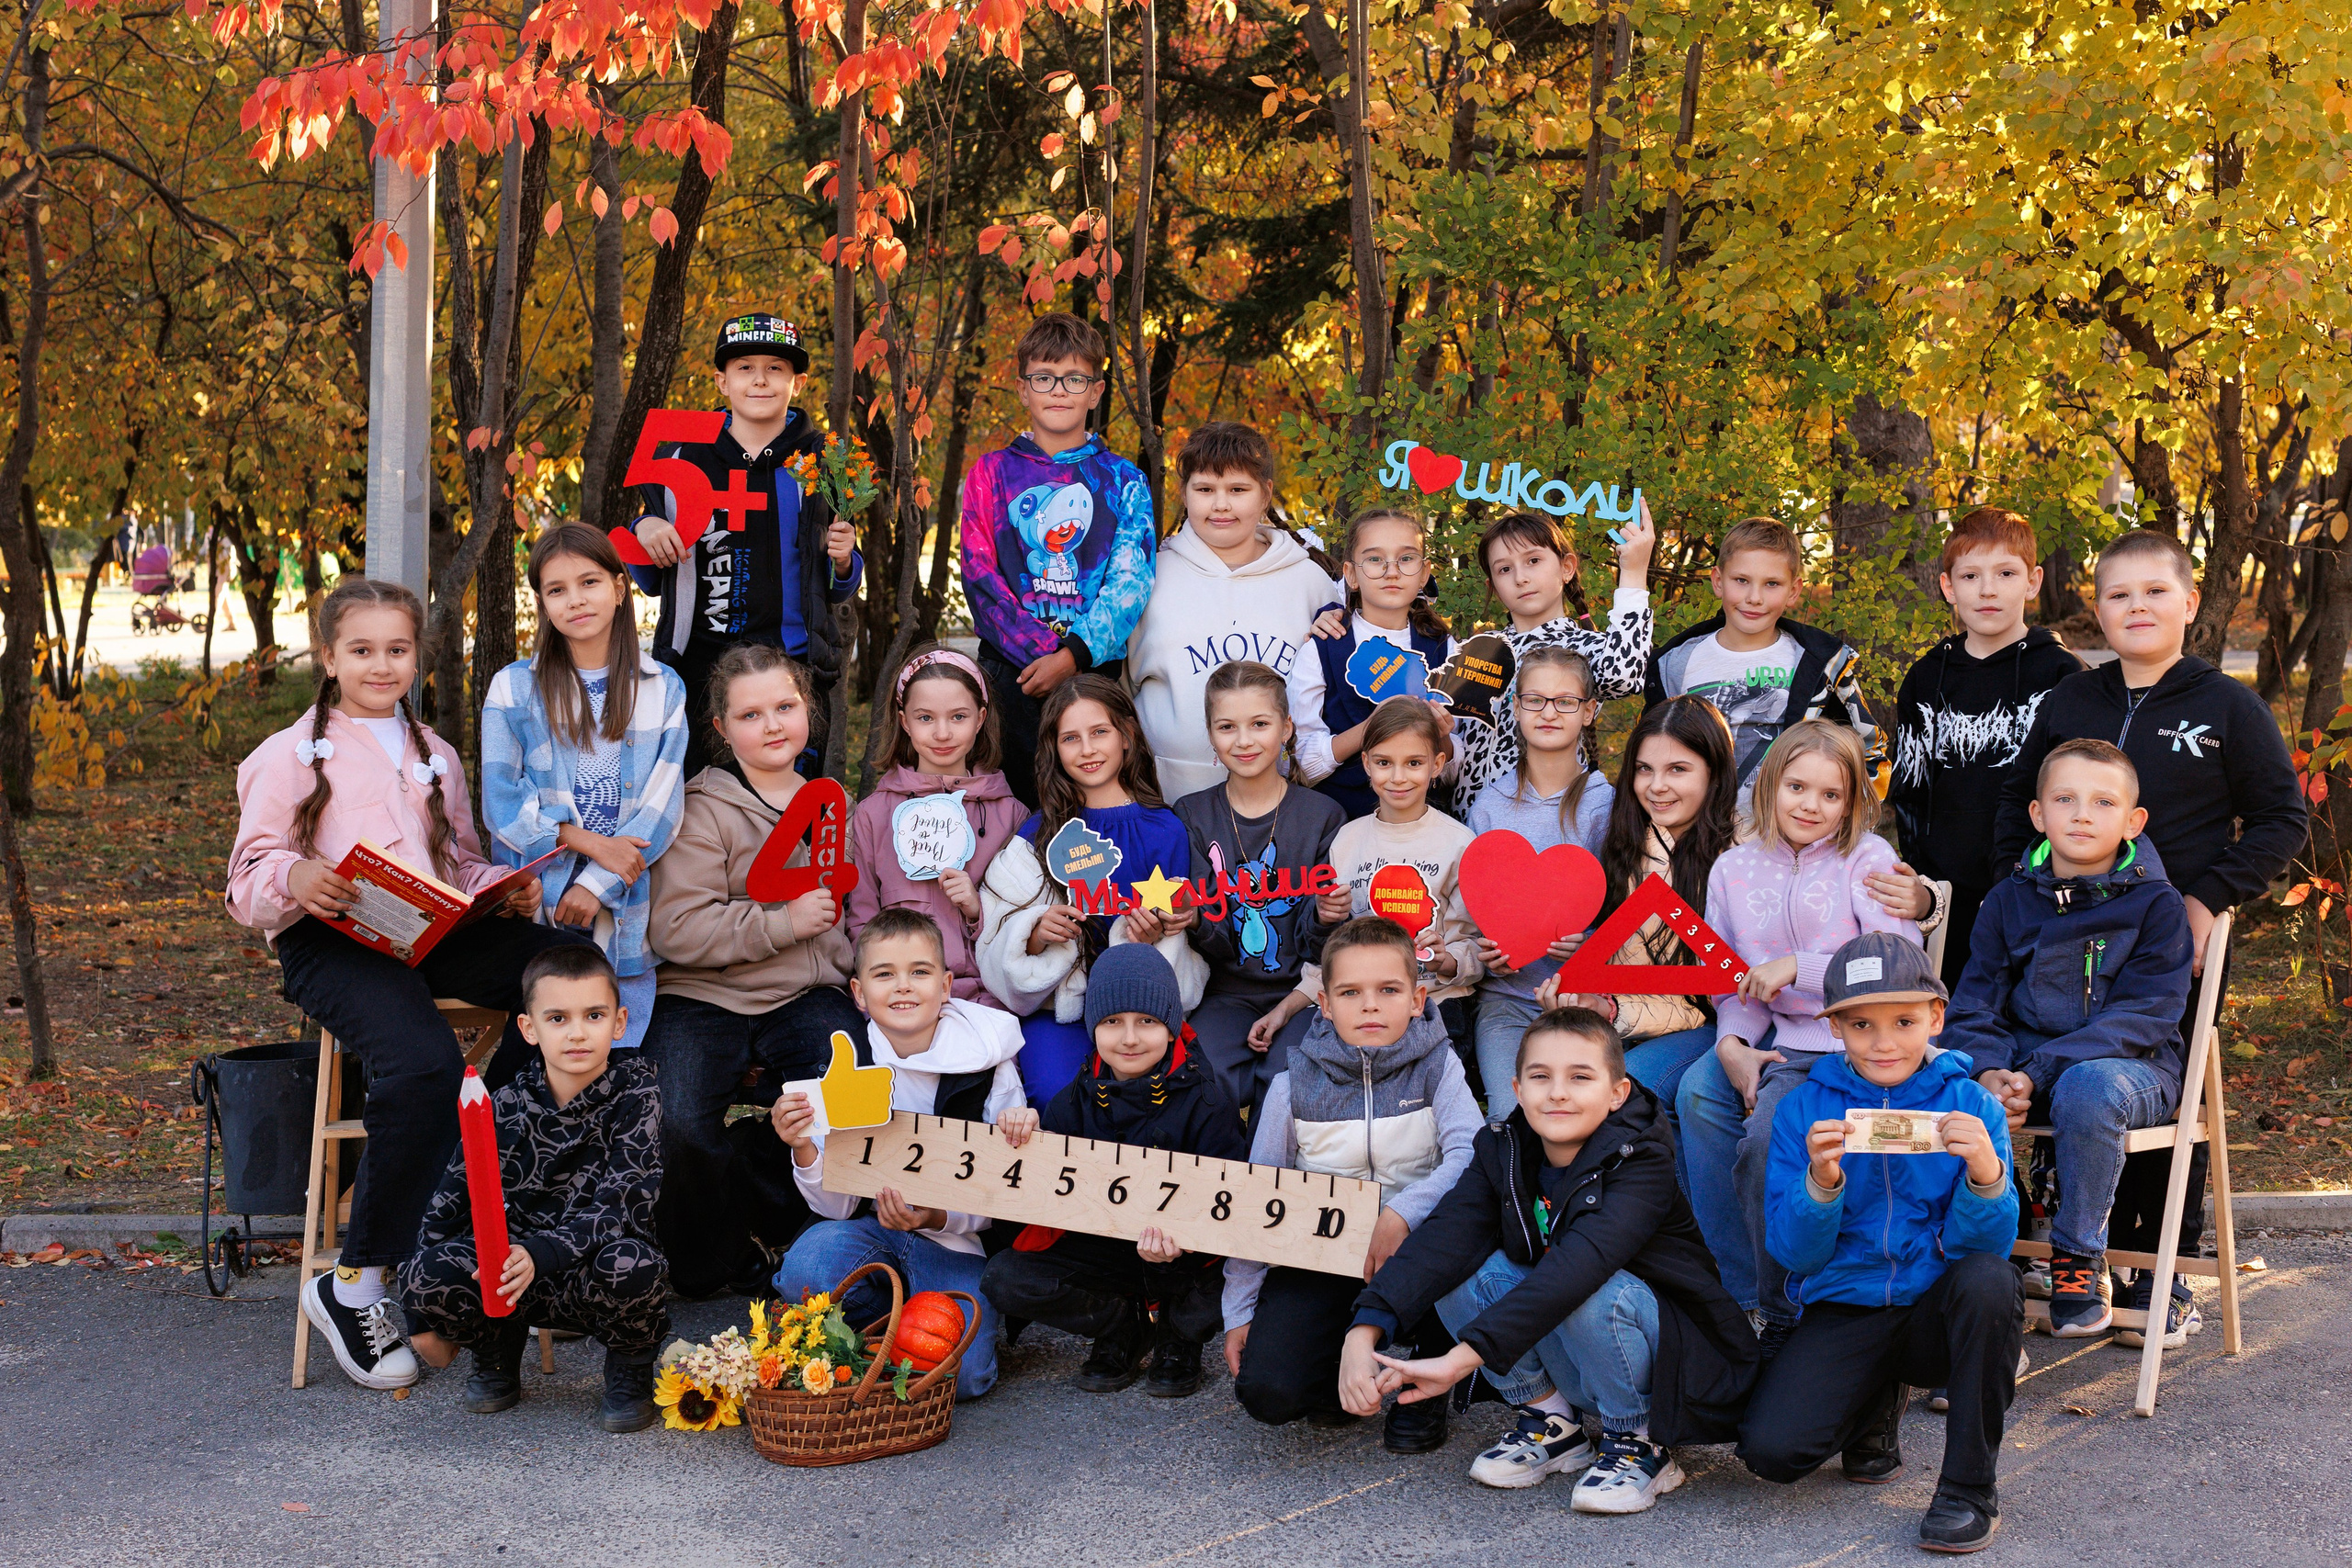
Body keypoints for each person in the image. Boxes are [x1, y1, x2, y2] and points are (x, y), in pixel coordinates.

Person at [228, 577, 582, 1392]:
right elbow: (245, 878)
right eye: (361, 650)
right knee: (423, 1063)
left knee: (558, 975)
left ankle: (476, 1167)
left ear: (417, 655)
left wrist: (504, 884)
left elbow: (454, 861)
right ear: (328, 656)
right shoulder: (287, 753)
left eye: (396, 650)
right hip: (335, 940)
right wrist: (297, 875)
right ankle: (356, 1281)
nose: (380, 665)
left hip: (426, 929)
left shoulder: (435, 753)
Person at [1994, 528, 2305, 1345]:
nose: (2137, 607)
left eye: (2155, 592)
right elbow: (2015, 805)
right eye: (2119, 594)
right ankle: (2073, 1251)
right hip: (2064, 933)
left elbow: (2282, 817)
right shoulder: (2071, 700)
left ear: (2191, 603)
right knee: (2061, 1070)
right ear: (2095, 609)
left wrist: (2207, 898)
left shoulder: (2225, 704)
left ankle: (2157, 1268)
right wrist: (2020, 894)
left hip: (2174, 938)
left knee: (2157, 1084)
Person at [1340, 1008, 1757, 1514]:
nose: (1558, 1092)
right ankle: (1552, 1422)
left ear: (1616, 1092)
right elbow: (1443, 1238)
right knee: (1455, 1268)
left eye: (1580, 1077)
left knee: (1590, 1287)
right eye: (1541, 1077)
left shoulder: (1642, 1159)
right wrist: (1363, 1331)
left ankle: (1640, 1440)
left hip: (1672, 1356)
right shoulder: (1505, 1147)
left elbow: (1576, 1270)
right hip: (1580, 1341)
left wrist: (1457, 1361)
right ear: (1517, 1089)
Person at [1738, 931, 2023, 1555]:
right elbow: (1796, 1254)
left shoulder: (1971, 1103)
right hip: (1846, 1303)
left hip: (1933, 1310)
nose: (1884, 1040)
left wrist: (1984, 1174)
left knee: (1992, 1283)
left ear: (1935, 1017)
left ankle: (1969, 1489)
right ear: (1835, 1027)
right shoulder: (1804, 1109)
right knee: (1772, 1452)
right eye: (1862, 1023)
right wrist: (1820, 1183)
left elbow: (1990, 1247)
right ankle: (1874, 1402)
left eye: (1903, 1019)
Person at [1675, 719, 1920, 1356]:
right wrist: (1733, 1042)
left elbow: (1896, 963)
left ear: (1854, 800)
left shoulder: (1866, 860)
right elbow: (1732, 982)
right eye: (1796, 787)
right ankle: (1767, 1302)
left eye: (1831, 794)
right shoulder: (1733, 869)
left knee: (1789, 1141)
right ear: (1769, 786)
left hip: (1869, 1051)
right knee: (1761, 1140)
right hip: (1790, 1047)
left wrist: (1803, 966)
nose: (1810, 805)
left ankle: (1856, 1302)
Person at [641, 644, 864, 1297]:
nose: (772, 725)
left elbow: (848, 905)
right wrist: (780, 922)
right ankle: (709, 1263)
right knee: (676, 1118)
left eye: (785, 707)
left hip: (804, 988)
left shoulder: (831, 803)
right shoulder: (700, 810)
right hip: (703, 993)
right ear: (720, 728)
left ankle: (811, 1245)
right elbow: (675, 928)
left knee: (845, 1084)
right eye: (750, 714)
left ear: (808, 711)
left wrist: (855, 965)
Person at [1949, 740, 2192, 1336]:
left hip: (2131, 1068)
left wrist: (2039, 1069)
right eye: (2066, 799)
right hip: (2022, 1065)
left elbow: (2145, 1014)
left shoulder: (2157, 905)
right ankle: (1984, 1266)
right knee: (1948, 1081)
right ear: (2038, 814)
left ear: (2133, 821)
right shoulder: (2007, 900)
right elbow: (1974, 1003)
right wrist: (1989, 1070)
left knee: (2088, 1085)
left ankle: (2079, 1256)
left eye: (2103, 801)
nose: (2083, 814)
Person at [1224, 917, 1483, 1453]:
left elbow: (1470, 1153)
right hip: (1328, 1256)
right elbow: (1260, 1197)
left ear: (1418, 999)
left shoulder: (1439, 1066)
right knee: (1267, 1392)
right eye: (1350, 992)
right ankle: (1334, 1366)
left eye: (1388, 990)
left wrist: (1400, 1214)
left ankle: (1422, 1388)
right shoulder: (1291, 1087)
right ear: (1324, 1003)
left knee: (1466, 1232)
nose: (1369, 1005)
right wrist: (1240, 1310)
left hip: (1417, 1252)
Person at [399, 944, 670, 1432]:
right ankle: (495, 1352)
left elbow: (625, 1203)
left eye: (593, 1015)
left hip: (589, 1270)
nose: (578, 1033)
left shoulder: (637, 1095)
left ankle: (629, 1370)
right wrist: (420, 1318)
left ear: (620, 1022)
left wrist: (542, 1252)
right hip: (508, 1278)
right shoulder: (501, 1104)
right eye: (558, 1018)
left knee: (636, 1263)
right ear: (529, 1029)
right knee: (425, 1271)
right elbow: (447, 1203)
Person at [773, 909, 1035, 1401]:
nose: (903, 987)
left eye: (920, 971)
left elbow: (1001, 1192)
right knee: (807, 1270)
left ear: (946, 984)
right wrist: (804, 1146)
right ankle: (883, 1320)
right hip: (872, 1231)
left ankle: (913, 1321)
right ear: (858, 994)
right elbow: (836, 1208)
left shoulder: (987, 1060)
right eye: (884, 974)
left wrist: (937, 1215)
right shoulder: (847, 1061)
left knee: (968, 1378)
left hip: (954, 1242)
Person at [979, 943, 1251, 1397]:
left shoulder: (1209, 1099)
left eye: (1146, 1021)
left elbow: (1234, 1204)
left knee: (1245, 1274)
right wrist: (1023, 1134)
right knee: (1004, 1277)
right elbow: (1042, 1195)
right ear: (1093, 1029)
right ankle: (1123, 1323)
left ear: (1171, 1026)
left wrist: (1184, 1242)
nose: (1129, 1038)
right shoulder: (1072, 1100)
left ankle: (1178, 1335)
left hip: (1186, 1256)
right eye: (1112, 1022)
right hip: (1108, 1252)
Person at [481, 524, 690, 1052]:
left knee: (617, 1053)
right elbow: (502, 800)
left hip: (625, 905)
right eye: (556, 590)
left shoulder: (661, 687)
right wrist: (587, 844)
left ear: (619, 588)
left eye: (589, 582)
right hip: (539, 904)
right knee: (549, 1054)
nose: (575, 600)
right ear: (544, 604)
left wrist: (595, 884)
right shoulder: (514, 687)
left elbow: (661, 809)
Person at [625, 313, 862, 774]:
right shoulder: (677, 456)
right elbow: (653, 582)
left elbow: (836, 586)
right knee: (698, 807)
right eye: (744, 368)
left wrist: (844, 557)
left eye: (776, 368)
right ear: (721, 381)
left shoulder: (824, 460)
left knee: (786, 811)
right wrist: (643, 528)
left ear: (798, 382)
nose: (760, 380)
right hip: (695, 665)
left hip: (791, 665)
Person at [957, 312, 1158, 808]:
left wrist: (1072, 658)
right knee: (1016, 816)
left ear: (1095, 391)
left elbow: (1130, 581)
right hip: (1012, 677)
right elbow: (980, 577)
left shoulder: (1122, 479)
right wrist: (1040, 655)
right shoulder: (991, 474)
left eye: (1075, 379)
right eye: (1044, 377)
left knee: (1094, 812)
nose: (1059, 390)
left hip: (1095, 675)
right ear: (1024, 389)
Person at [977, 674, 1203, 1103]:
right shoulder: (1038, 832)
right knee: (1056, 1093)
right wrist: (1037, 933)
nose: (1087, 749)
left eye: (1099, 732)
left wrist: (1153, 937)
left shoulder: (1167, 830)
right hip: (1058, 1010)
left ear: (1127, 736)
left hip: (1137, 1011)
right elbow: (998, 924)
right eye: (1071, 738)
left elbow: (1178, 935)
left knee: (1144, 1097)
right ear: (1054, 750)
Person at [1887, 506, 2085, 985]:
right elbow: (1911, 791)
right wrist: (1921, 882)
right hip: (1944, 894)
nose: (1988, 589)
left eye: (2005, 573)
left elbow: (2079, 791)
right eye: (1971, 575)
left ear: (2033, 582)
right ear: (1949, 587)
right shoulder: (1927, 677)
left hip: (2035, 886)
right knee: (1949, 1016)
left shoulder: (2063, 677)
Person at [1256, 698, 1483, 1085]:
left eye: (1414, 763)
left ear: (1437, 765)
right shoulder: (1348, 840)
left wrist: (1445, 960)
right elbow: (1335, 954)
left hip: (1434, 1006)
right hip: (1358, 1008)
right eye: (1383, 762)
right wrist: (1284, 1009)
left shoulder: (1459, 844)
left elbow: (1475, 951)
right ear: (1366, 764)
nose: (1398, 777)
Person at [1538, 695, 1738, 1122]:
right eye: (1644, 769)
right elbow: (1633, 976)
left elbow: (1710, 996)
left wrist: (1923, 899)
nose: (1656, 786)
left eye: (1678, 770)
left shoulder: (1745, 854)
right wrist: (1599, 1000)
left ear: (1714, 773)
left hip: (1727, 1024)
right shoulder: (1626, 847)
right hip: (1641, 1026)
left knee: (1631, 1092)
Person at [1126, 423, 1341, 798]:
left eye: (1238, 490)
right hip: (1165, 801)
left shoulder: (1311, 582)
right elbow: (1123, 688)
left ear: (1265, 495)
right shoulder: (1149, 579)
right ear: (1185, 494)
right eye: (1205, 489)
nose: (1221, 504)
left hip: (1284, 802)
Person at [1172, 660, 1345, 1118]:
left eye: (1260, 724)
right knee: (1202, 1073)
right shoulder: (1191, 814)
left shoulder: (1323, 815)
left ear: (1287, 728)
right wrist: (1194, 917)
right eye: (1227, 726)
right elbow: (1209, 935)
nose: (1244, 740)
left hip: (1304, 991)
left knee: (1287, 1082)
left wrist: (1327, 917)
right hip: (1223, 991)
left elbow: (1322, 945)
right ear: (1210, 734)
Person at [1465, 649, 1614, 1119]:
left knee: (1582, 1118)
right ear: (1514, 707)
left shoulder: (1607, 805)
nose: (1549, 712)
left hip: (1583, 1003)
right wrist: (1488, 953)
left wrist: (1588, 947)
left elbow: (1623, 911)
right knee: (1510, 1118)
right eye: (1535, 699)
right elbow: (1474, 908)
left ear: (1589, 710)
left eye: (1566, 701)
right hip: (1507, 1002)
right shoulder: (1489, 805)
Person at [1645, 515, 1885, 807]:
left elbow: (1870, 750)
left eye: (1772, 583)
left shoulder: (1820, 665)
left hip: (1787, 844)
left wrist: (1840, 828)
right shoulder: (1675, 663)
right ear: (1718, 581)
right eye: (1741, 580)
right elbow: (1653, 755)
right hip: (1695, 842)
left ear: (1793, 591)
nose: (1754, 598)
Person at [845, 646, 1027, 1009]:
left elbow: (1023, 926)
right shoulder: (873, 815)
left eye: (958, 717)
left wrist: (978, 911)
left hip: (986, 998)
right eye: (925, 718)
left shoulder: (1011, 816)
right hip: (900, 1003)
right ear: (904, 721)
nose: (942, 733)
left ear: (980, 718)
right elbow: (861, 921)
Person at [1452, 506, 1657, 805]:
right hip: (1468, 828)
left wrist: (1634, 572)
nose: (1520, 578)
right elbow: (1455, 742)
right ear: (1493, 587)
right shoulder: (1480, 650)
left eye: (1533, 560)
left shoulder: (1582, 648)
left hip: (1545, 824)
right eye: (1504, 569)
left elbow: (1624, 674)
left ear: (1566, 568)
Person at [1290, 505, 1457, 820]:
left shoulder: (1443, 648)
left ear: (1424, 573)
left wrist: (1443, 737)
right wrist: (1372, 727)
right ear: (1351, 574)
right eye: (1375, 559)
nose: (1391, 571)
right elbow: (1299, 766)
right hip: (1339, 823)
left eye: (1406, 559)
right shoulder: (1325, 646)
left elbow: (1453, 772)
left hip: (1422, 825)